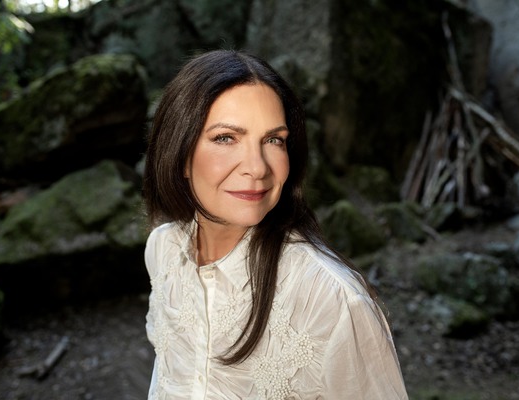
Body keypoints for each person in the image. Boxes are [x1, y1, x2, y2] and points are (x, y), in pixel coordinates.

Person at [143, 49, 408, 399]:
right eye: (226, 138)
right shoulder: (163, 248)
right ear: (179, 154)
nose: (258, 167)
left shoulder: (331, 298)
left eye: (273, 140)